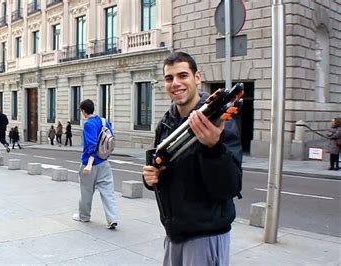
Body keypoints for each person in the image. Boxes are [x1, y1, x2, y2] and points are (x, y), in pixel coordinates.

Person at [142, 52, 242, 265]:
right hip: (173, 235)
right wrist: (150, 177)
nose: (175, 83)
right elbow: (159, 167)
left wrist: (213, 148)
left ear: (197, 78)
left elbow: (229, 187)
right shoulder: (167, 122)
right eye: (169, 78)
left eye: (182, 75)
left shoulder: (219, 122)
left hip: (205, 237)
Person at [72, 99, 118, 230]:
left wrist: (89, 164)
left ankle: (84, 216)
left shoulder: (88, 124)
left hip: (90, 164)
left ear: (83, 111)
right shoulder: (104, 121)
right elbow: (110, 139)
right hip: (104, 162)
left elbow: (91, 146)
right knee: (108, 192)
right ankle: (112, 218)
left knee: (86, 192)